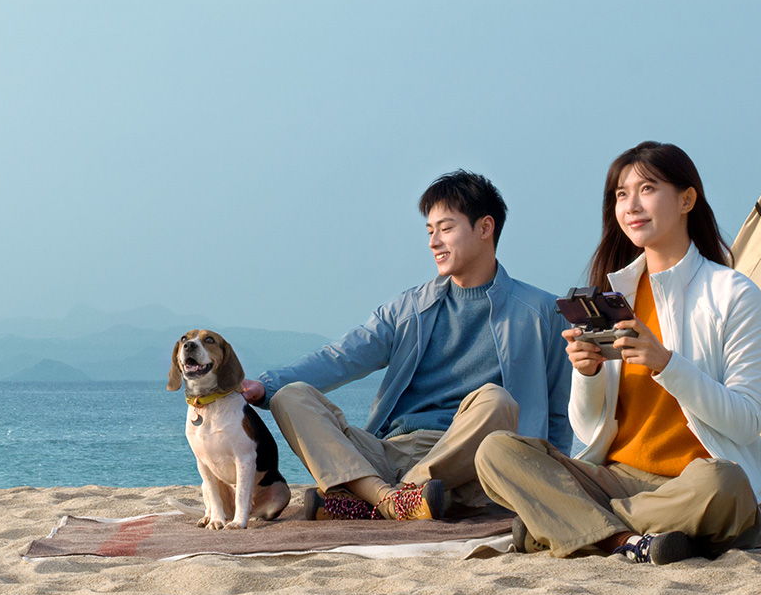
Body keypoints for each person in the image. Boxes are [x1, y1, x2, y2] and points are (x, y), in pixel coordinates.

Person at [472, 142, 761, 564]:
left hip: (696, 481)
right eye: (621, 194)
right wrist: (587, 375)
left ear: (687, 200)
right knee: (495, 450)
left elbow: (747, 421)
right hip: (617, 477)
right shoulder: (614, 297)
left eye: (647, 189)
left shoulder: (733, 294)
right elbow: (587, 428)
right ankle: (623, 539)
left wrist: (666, 364)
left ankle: (572, 525)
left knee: (726, 484)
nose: (631, 206)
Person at [237, 170, 572, 521]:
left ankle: (370, 498)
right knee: (291, 396)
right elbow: (341, 357)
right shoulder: (410, 308)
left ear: (485, 228)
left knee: (496, 400)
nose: (434, 242)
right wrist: (267, 386)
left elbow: (557, 414)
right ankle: (394, 499)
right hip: (386, 453)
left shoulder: (541, 312)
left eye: (446, 228)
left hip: (468, 463)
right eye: (430, 232)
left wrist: (555, 486)